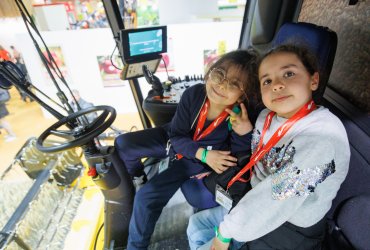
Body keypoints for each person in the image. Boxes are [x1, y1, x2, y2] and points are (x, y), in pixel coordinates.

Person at [187, 44, 350, 250]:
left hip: (290, 223)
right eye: (267, 80)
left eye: (289, 73)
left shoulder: (322, 138)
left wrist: (224, 236)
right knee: (196, 225)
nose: (277, 85)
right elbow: (260, 157)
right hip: (254, 199)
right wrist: (246, 131)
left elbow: (276, 199)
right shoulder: (267, 116)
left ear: (313, 80)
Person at [114, 49, 261, 249]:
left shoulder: (237, 118)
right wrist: (204, 153)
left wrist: (243, 133)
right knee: (124, 144)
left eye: (234, 84)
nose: (221, 85)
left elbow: (237, 157)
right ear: (211, 71)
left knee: (146, 197)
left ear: (243, 95)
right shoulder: (195, 94)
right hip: (179, 140)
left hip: (193, 163)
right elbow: (176, 135)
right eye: (219, 75)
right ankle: (138, 177)